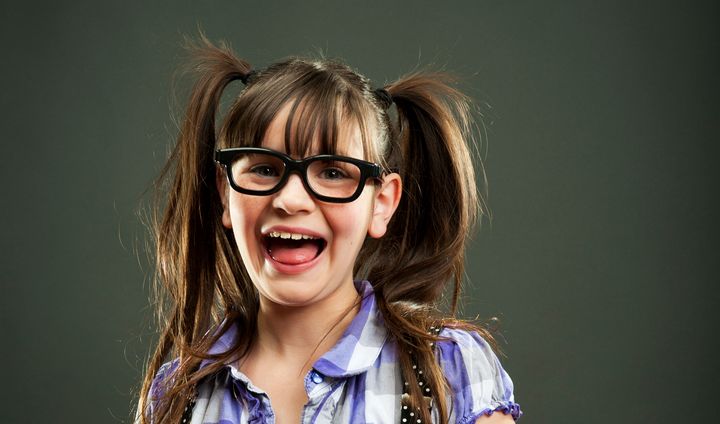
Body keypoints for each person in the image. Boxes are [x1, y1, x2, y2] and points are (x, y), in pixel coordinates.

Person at [136, 34, 522, 424]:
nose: (290, 200)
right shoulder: (178, 397)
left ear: (382, 204)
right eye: (264, 169)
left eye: (333, 173)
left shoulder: (448, 371)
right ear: (225, 194)